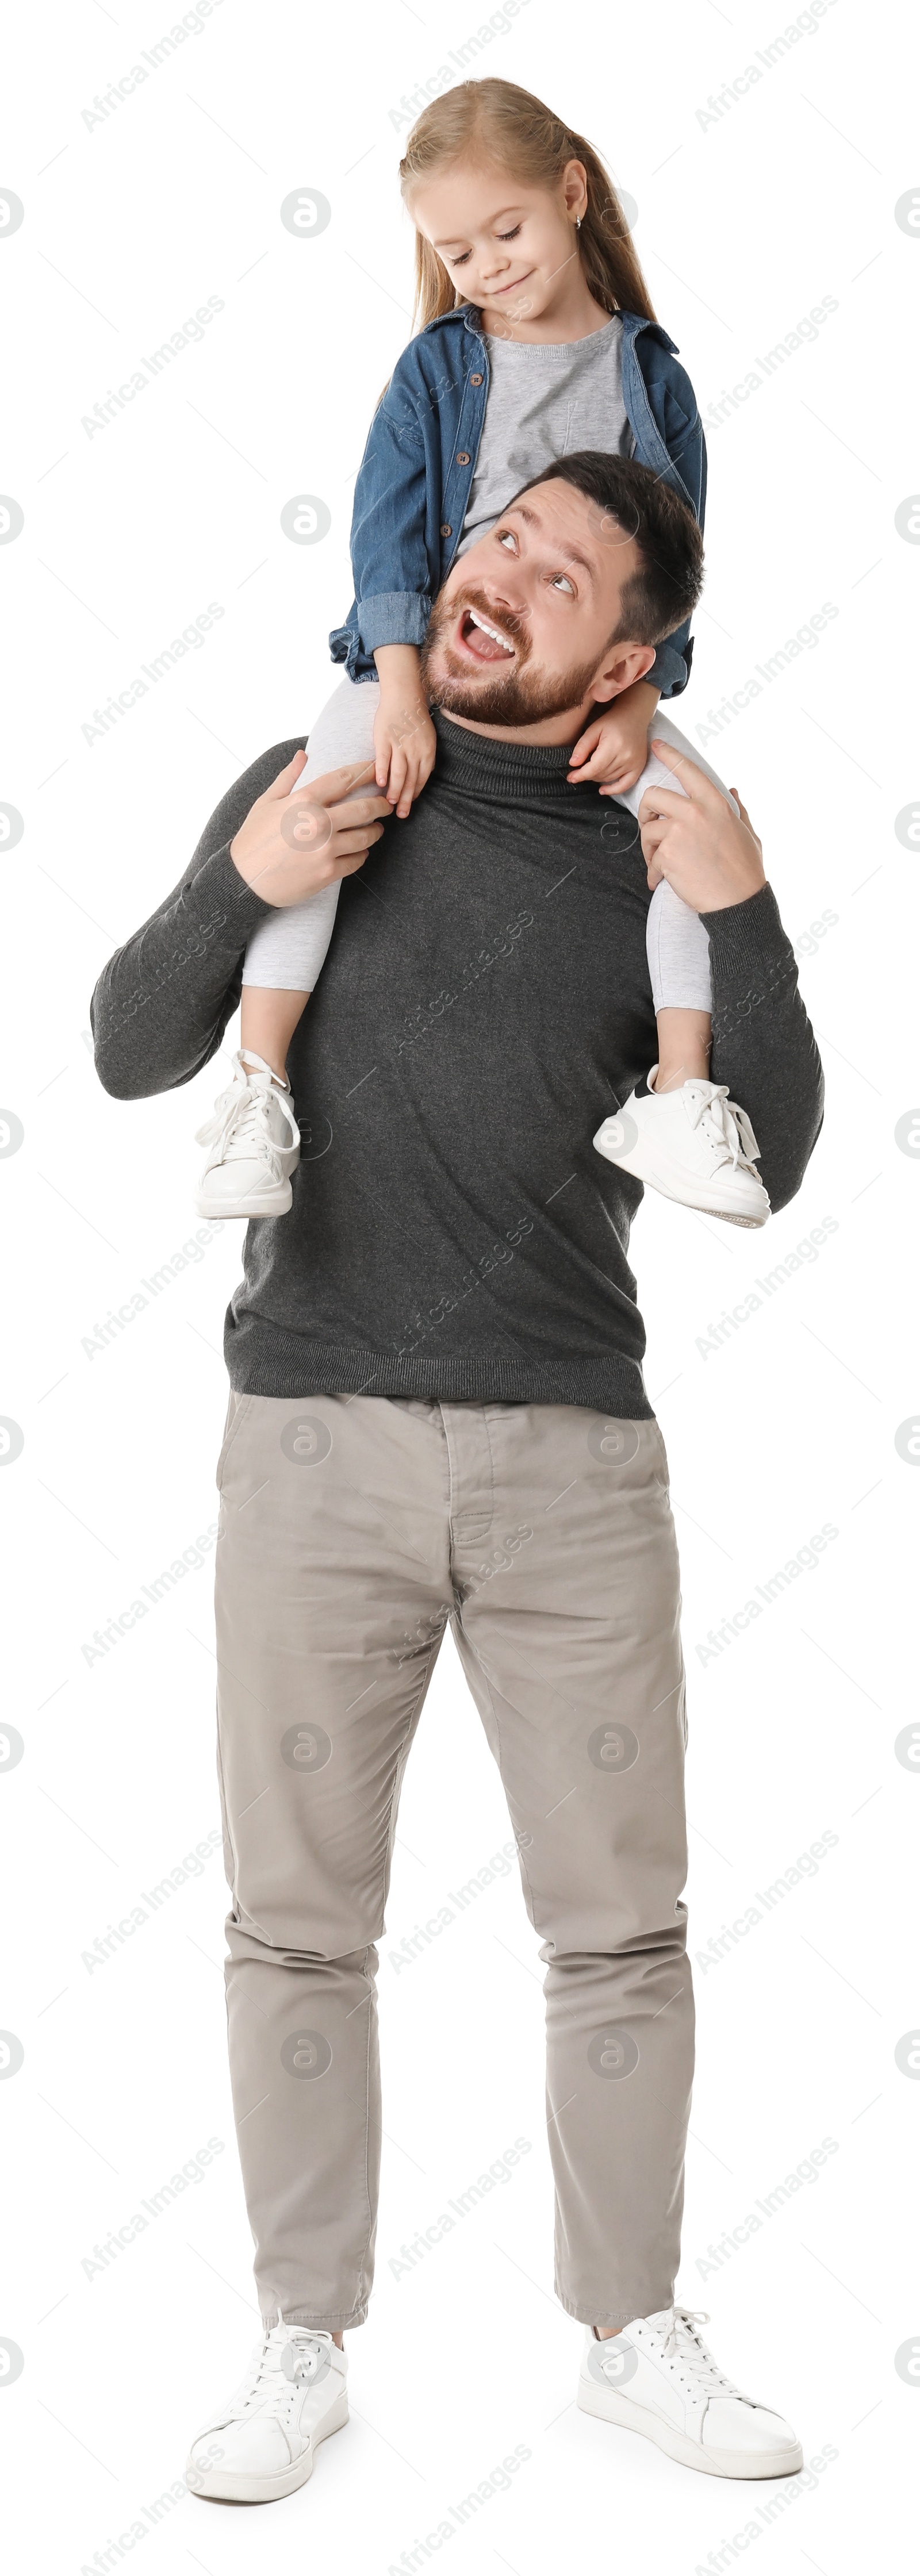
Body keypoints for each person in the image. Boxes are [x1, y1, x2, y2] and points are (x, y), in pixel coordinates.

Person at [91, 452, 824, 2504]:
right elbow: (127, 1041)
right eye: (500, 532)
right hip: (309, 1432)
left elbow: (784, 1143)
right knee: (296, 1926)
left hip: (575, 1453)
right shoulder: (325, 770)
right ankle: (298, 2340)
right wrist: (243, 868)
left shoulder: (654, 844)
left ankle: (631, 2333)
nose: (507, 569)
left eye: (565, 570)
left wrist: (746, 897)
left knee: (622, 1930)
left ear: (631, 655)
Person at [193, 76, 765, 1229]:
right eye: (456, 251)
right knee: (321, 801)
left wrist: (640, 701)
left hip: (580, 689)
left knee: (693, 826)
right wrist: (397, 694)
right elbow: (385, 542)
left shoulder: (649, 380)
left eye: (506, 232)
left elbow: (673, 569)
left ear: (571, 193)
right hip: (427, 665)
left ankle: (681, 1087)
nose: (487, 265)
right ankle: (254, 1086)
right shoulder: (433, 373)